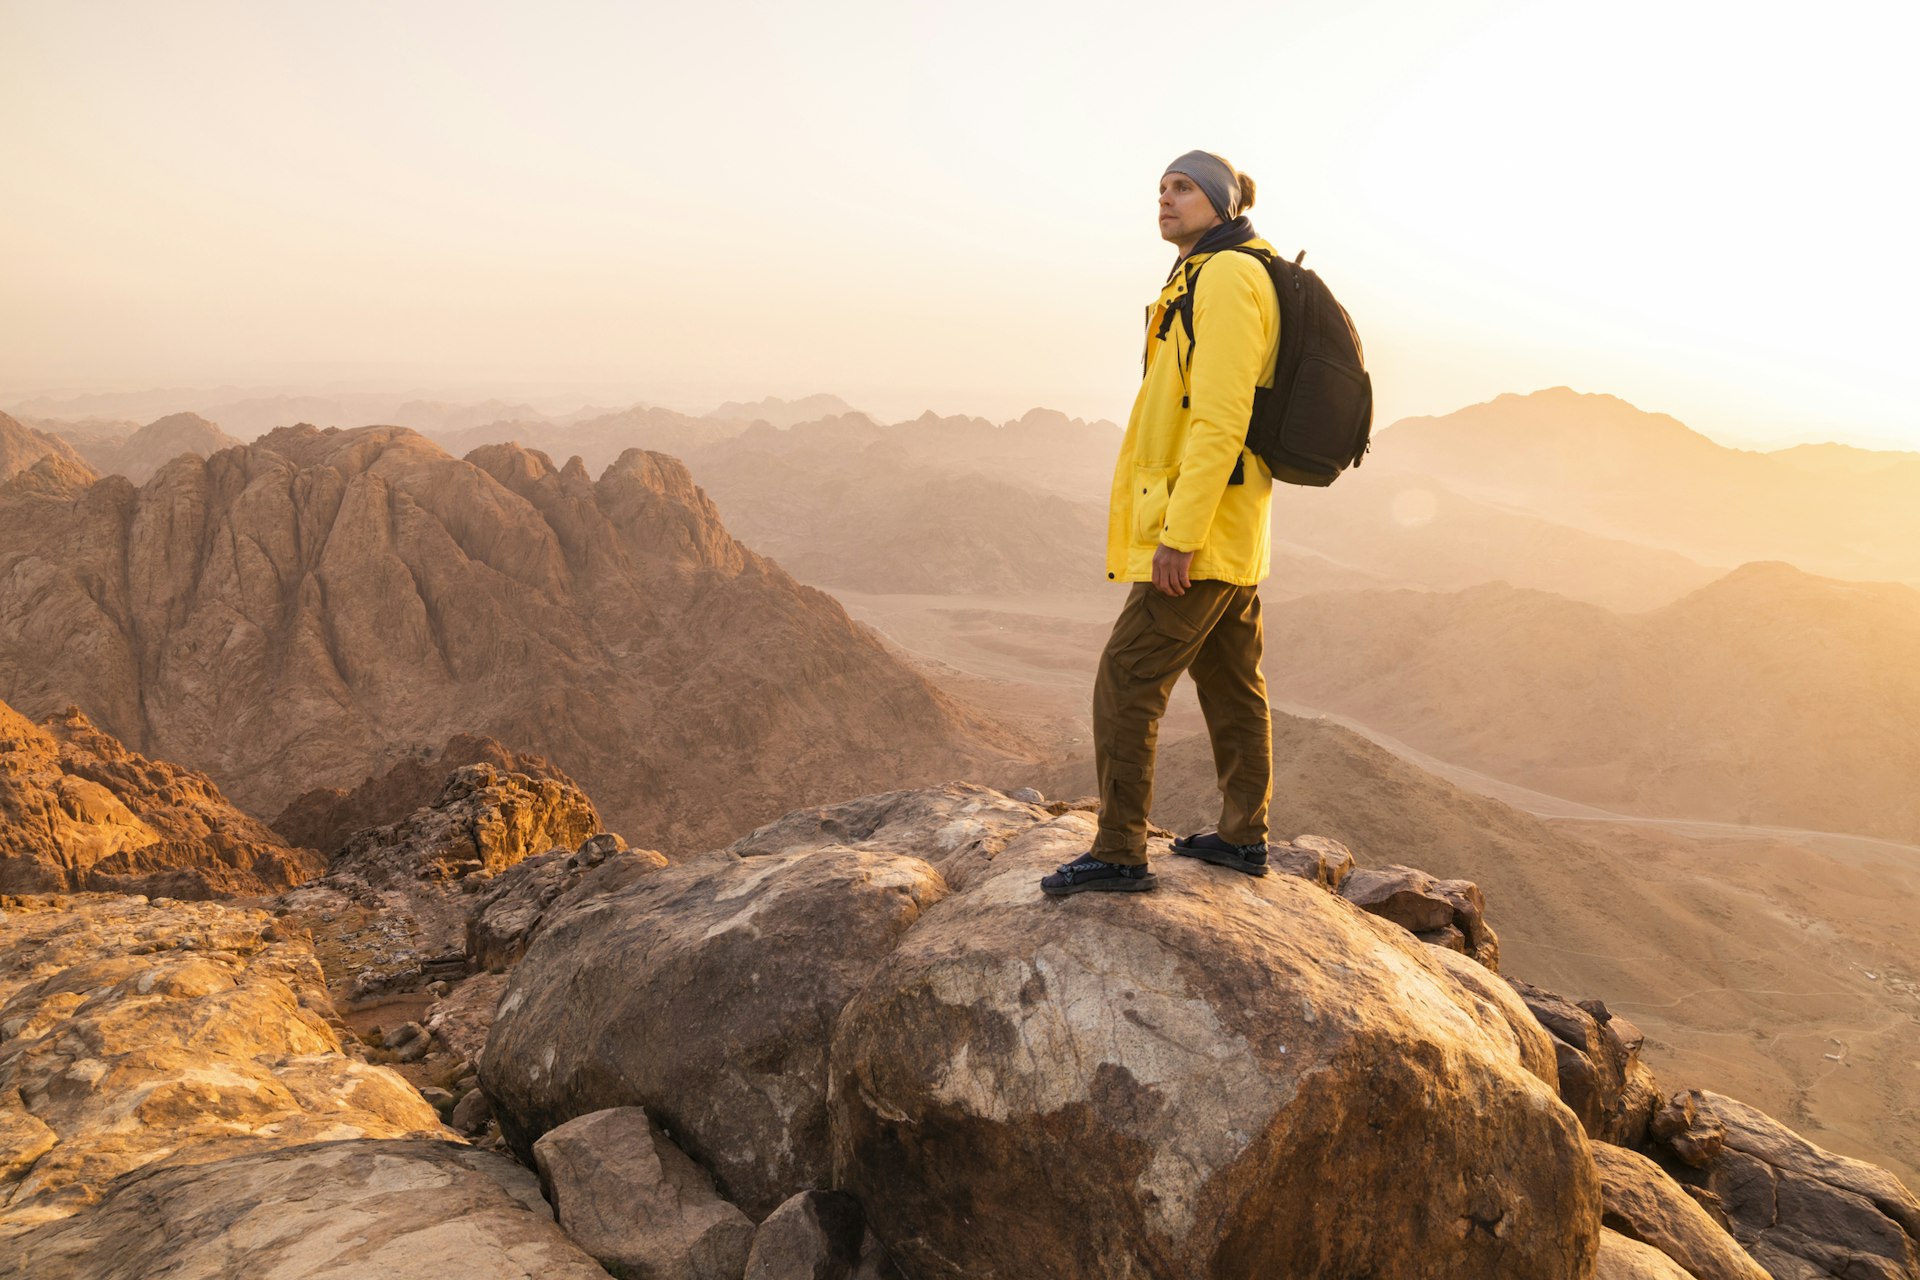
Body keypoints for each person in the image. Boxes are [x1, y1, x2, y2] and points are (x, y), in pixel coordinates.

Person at [1042, 150, 1281, 896]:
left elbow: (1219, 416)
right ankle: (1243, 837)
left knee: (1127, 679)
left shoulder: (1230, 277)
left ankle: (1118, 850)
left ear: (1219, 201)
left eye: (1183, 188)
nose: (1165, 199)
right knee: (1232, 682)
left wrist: (1180, 533)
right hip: (1226, 525)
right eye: (1162, 188)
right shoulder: (1203, 272)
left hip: (1201, 531)